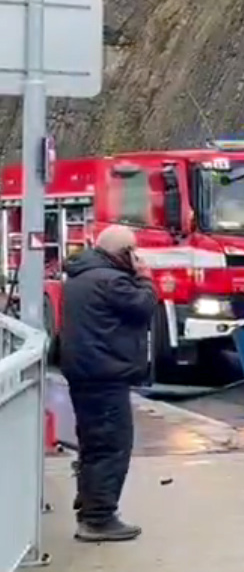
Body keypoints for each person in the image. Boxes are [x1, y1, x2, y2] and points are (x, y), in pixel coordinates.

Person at [58, 225, 158, 542]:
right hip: (106, 374)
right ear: (124, 253)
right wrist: (144, 275)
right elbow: (144, 306)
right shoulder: (113, 281)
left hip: (85, 373)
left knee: (93, 444)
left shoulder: (80, 275)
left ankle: (89, 506)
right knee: (111, 447)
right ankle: (98, 518)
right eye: (134, 251)